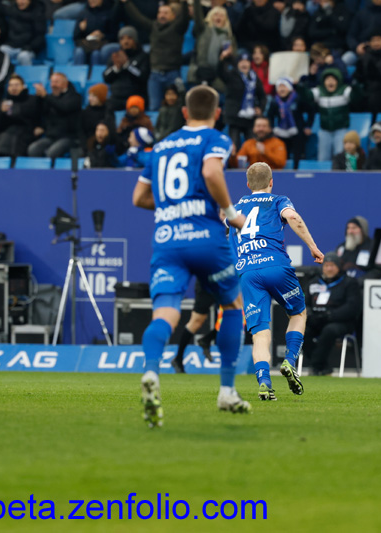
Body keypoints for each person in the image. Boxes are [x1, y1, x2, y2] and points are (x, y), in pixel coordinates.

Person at [131, 85, 251, 428]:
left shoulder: (161, 146)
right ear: (217, 113)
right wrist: (231, 212)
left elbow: (139, 197)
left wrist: (172, 208)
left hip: (167, 240)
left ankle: (151, 372)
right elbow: (212, 172)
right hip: (205, 238)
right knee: (233, 305)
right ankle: (226, 390)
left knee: (166, 312)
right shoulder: (216, 138)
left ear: (184, 112)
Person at [229, 161, 324, 400]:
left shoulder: (236, 207)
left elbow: (222, 234)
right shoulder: (278, 200)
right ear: (271, 182)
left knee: (260, 332)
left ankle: (264, 382)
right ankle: (289, 361)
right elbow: (293, 217)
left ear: (248, 184)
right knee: (298, 313)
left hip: (248, 273)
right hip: (275, 266)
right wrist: (312, 246)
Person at [121, 0, 190, 111]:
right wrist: (126, 3)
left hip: (173, 74)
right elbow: (138, 18)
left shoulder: (178, 28)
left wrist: (184, 3)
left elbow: (184, 18)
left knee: (177, 107)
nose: (162, 15)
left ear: (173, 16)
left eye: (166, 13)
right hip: (155, 75)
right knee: (154, 107)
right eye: (160, 12)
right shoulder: (153, 27)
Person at [302, 252, 361, 376]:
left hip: (340, 322)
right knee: (302, 331)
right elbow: (304, 302)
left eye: (332, 265)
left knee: (329, 330)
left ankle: (316, 365)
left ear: (339, 267)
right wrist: (310, 314)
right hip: (316, 320)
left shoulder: (349, 283)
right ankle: (323, 367)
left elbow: (352, 307)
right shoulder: (314, 283)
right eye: (326, 265)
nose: (329, 269)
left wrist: (330, 315)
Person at [27, 72, 82, 158]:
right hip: (51, 136)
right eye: (52, 82)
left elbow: (64, 107)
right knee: (33, 149)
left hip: (69, 137)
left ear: (65, 84)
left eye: (56, 82)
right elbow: (40, 112)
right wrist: (39, 98)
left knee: (52, 153)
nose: (53, 85)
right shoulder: (49, 98)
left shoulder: (75, 97)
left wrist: (46, 96)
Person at [266, 77, 314, 170]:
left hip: (297, 131)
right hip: (281, 132)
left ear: (289, 88)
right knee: (283, 153)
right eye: (280, 87)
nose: (282, 89)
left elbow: (311, 110)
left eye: (284, 86)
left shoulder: (298, 98)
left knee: (298, 154)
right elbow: (270, 116)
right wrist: (271, 128)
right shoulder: (275, 101)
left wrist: (308, 126)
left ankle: (296, 171)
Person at [0, 74, 41, 158]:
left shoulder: (33, 100)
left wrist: (40, 126)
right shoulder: (4, 103)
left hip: (27, 131)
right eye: (11, 85)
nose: (14, 88)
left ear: (23, 87)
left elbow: (39, 116)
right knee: (3, 137)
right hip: (7, 132)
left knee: (14, 139)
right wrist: (1, 112)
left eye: (16, 85)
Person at [102, 26, 150, 112]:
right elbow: (106, 77)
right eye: (122, 39)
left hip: (135, 96)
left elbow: (142, 77)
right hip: (116, 97)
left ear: (135, 40)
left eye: (129, 38)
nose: (125, 41)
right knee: (104, 109)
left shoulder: (143, 56)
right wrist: (116, 68)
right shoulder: (116, 57)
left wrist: (127, 65)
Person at [0, 0, 45, 66]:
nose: (20, 2)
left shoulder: (37, 13)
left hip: (29, 49)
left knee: (23, 56)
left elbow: (40, 36)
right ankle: (2, 72)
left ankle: (26, 73)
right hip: (12, 46)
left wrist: (30, 47)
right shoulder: (12, 9)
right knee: (1, 50)